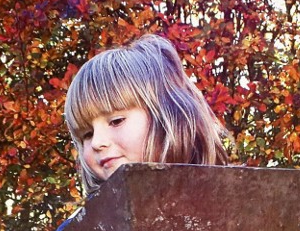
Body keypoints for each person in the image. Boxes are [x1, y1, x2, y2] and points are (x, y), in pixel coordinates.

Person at [63, 33, 229, 199]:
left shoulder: (230, 205)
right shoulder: (91, 223)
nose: (97, 143)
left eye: (116, 121)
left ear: (167, 117)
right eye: (87, 134)